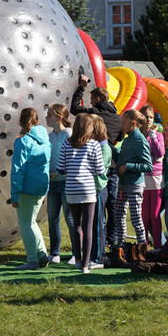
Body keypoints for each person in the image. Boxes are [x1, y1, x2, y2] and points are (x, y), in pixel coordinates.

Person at [70, 74, 123, 249]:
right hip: (112, 164)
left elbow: (75, 109)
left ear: (98, 98)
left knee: (98, 206)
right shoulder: (118, 117)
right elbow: (121, 136)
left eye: (92, 99)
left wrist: (81, 87)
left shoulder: (95, 114)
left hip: (96, 162)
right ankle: (112, 239)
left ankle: (97, 243)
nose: (91, 102)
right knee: (112, 205)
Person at [57, 114, 106, 274]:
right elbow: (100, 170)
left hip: (71, 189)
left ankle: (77, 259)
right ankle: (86, 264)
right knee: (88, 227)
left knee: (76, 225)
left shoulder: (67, 144)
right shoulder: (94, 145)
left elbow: (60, 168)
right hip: (88, 190)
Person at [109, 109, 152, 263]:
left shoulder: (140, 140)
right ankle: (122, 249)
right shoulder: (127, 139)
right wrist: (112, 150)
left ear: (133, 123)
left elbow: (148, 166)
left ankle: (141, 250)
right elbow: (121, 157)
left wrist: (129, 166)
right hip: (123, 185)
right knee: (119, 216)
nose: (122, 125)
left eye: (124, 122)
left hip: (134, 186)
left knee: (135, 218)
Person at [11, 108, 51, 270]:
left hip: (27, 188)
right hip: (41, 186)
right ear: (38, 121)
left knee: (26, 223)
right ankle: (41, 254)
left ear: (20, 122)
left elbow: (17, 170)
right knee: (31, 222)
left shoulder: (23, 141)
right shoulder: (46, 140)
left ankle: (33, 259)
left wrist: (14, 194)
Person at [45, 104, 75, 264]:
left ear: (59, 117)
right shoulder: (50, 137)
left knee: (70, 219)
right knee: (53, 218)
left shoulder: (68, 135)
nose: (46, 117)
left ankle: (76, 253)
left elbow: (72, 159)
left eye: (50, 115)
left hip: (65, 182)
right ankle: (54, 253)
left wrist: (59, 173)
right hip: (52, 183)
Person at [139, 105, 165, 247]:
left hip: (156, 179)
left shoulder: (158, 135)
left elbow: (160, 153)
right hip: (142, 179)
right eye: (146, 116)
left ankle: (158, 247)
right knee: (144, 217)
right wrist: (152, 158)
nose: (148, 120)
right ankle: (143, 247)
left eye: (151, 117)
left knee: (155, 216)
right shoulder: (137, 135)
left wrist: (153, 137)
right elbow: (138, 156)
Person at [90, 115, 113, 267]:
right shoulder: (97, 147)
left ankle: (99, 257)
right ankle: (92, 255)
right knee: (92, 224)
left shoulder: (105, 149)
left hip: (99, 189)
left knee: (98, 224)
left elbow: (99, 170)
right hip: (92, 189)